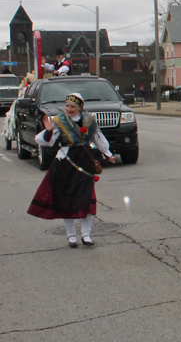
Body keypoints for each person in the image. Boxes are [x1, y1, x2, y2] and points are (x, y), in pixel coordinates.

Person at [27, 93, 115, 248]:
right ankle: (71, 236)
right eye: (67, 106)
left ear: (79, 107)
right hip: (65, 163)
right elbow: (42, 141)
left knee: (86, 199)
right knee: (66, 200)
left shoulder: (89, 120)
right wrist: (48, 131)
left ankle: (86, 235)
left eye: (72, 106)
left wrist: (108, 154)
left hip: (84, 163)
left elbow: (98, 137)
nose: (69, 109)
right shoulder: (59, 121)